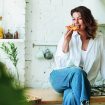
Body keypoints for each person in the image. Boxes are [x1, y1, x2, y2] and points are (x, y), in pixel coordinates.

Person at [50, 6, 105, 105]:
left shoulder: (100, 39)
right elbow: (60, 65)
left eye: (79, 18)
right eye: (73, 19)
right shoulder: (67, 36)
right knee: (78, 71)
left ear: (88, 20)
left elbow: (104, 65)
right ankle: (84, 103)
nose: (76, 22)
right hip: (60, 78)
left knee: (71, 96)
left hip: (82, 84)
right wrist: (66, 41)